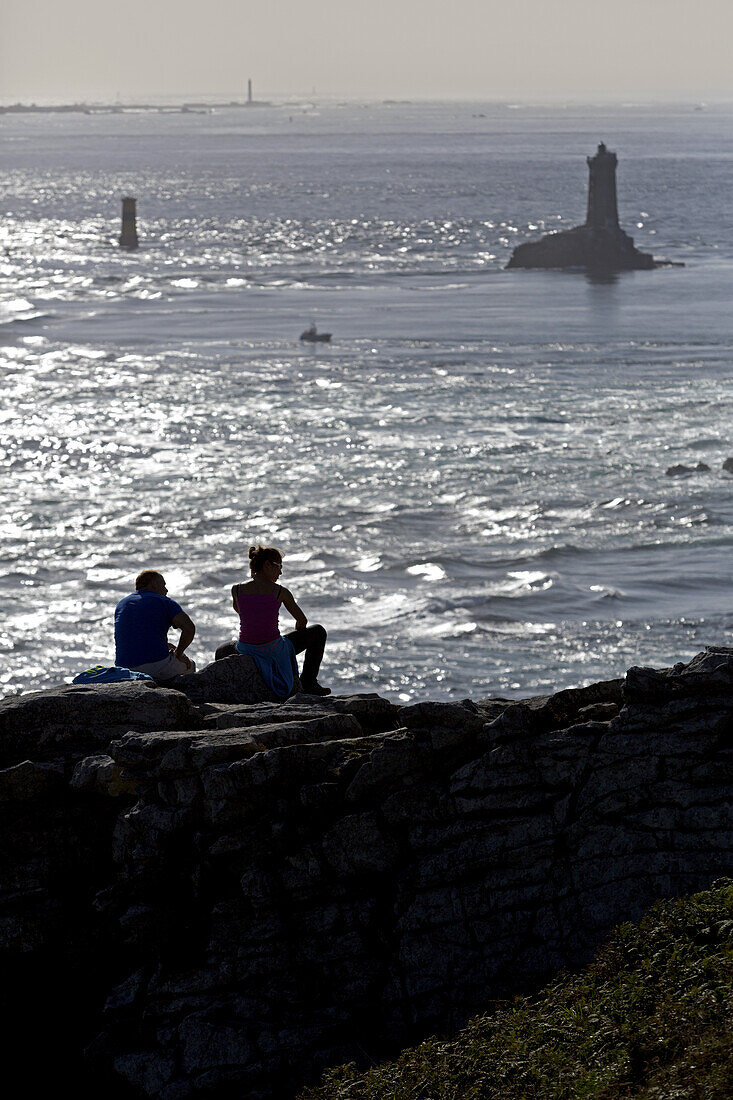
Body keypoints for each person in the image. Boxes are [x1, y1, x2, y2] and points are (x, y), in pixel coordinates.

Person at [231, 544, 330, 697]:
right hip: (272, 648)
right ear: (267, 565)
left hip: (246, 648)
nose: (281, 572)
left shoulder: (236, 589)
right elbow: (302, 620)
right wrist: (295, 637)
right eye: (279, 566)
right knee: (318, 632)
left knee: (224, 649)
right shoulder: (280, 592)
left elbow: (240, 612)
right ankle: (309, 682)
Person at [114, 570, 196, 681]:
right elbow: (189, 628)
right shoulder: (164, 602)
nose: (166, 590)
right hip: (154, 666)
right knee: (190, 665)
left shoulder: (122, 604)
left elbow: (136, 634)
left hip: (123, 668)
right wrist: (178, 653)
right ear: (154, 585)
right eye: (164, 585)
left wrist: (165, 645)